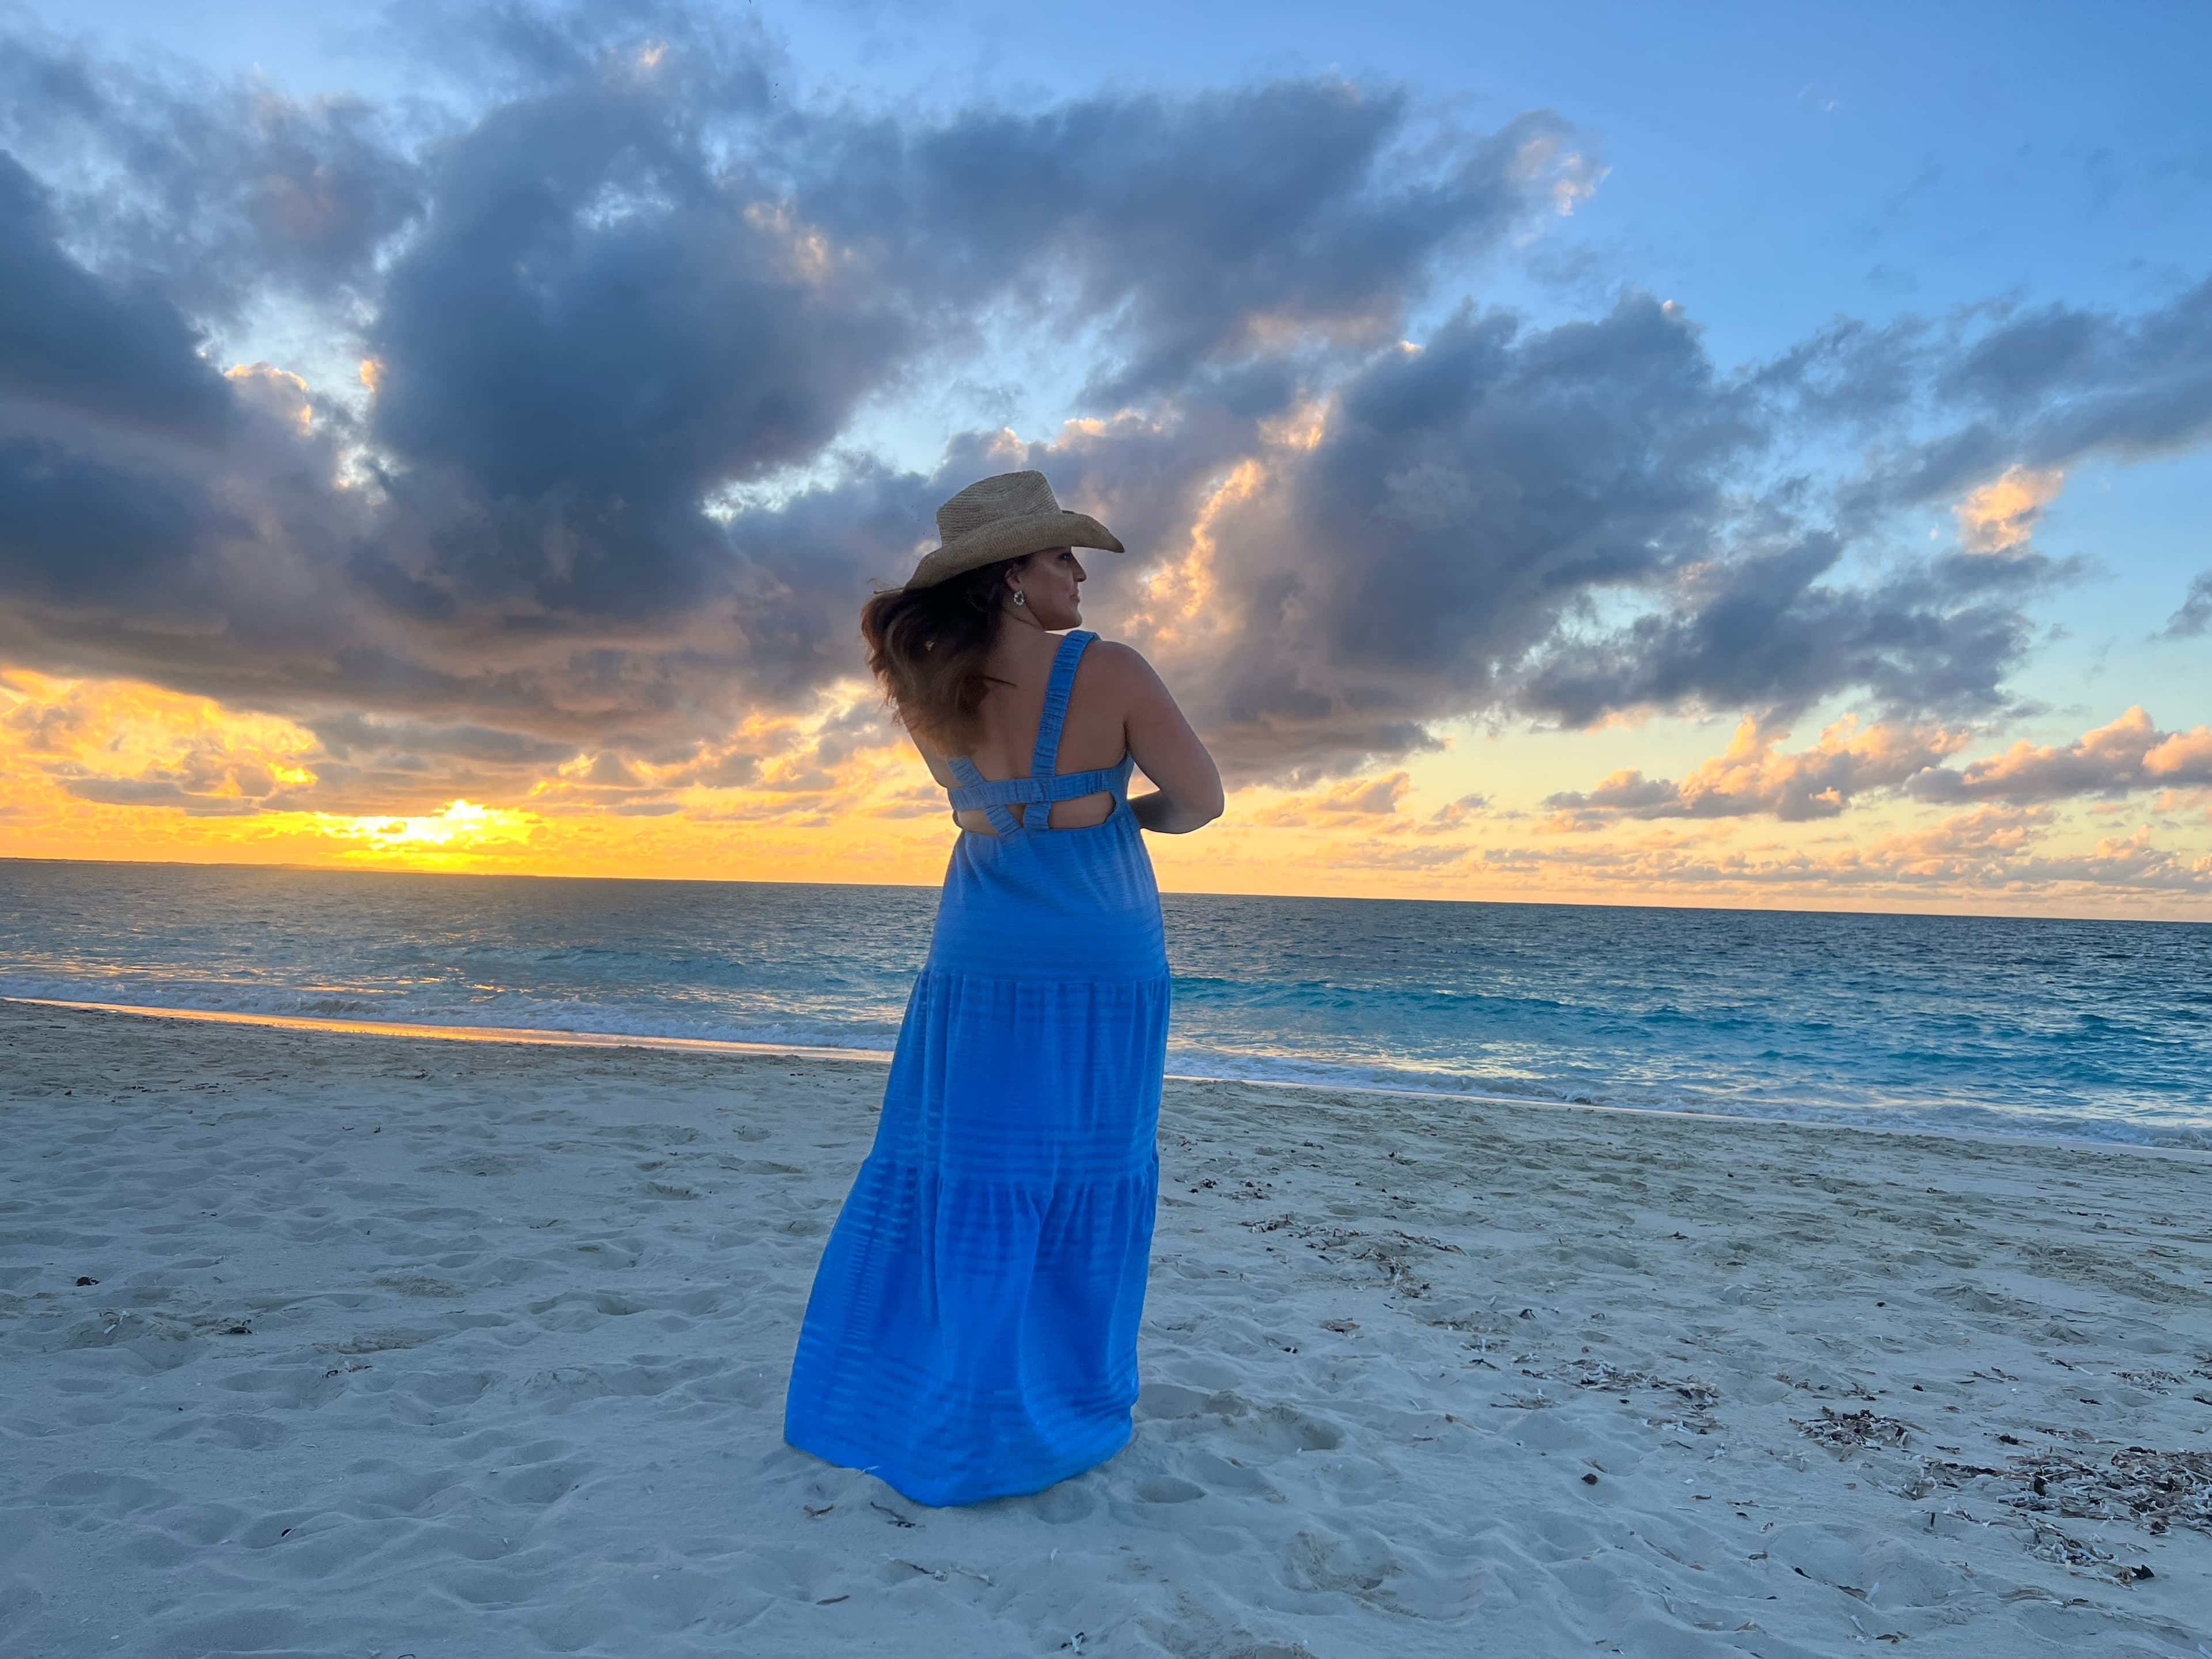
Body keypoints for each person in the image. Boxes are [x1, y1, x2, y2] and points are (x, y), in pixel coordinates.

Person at [782, 469, 1224, 1506]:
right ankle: (1055, 1402)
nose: (1080, 573)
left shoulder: (926, 688)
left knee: (964, 1171)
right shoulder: (1110, 670)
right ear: (1011, 576)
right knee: (1086, 1172)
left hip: (980, 955)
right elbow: (1200, 802)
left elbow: (990, 807)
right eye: (1062, 555)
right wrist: (1117, 815)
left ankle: (932, 1400)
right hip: (1099, 958)